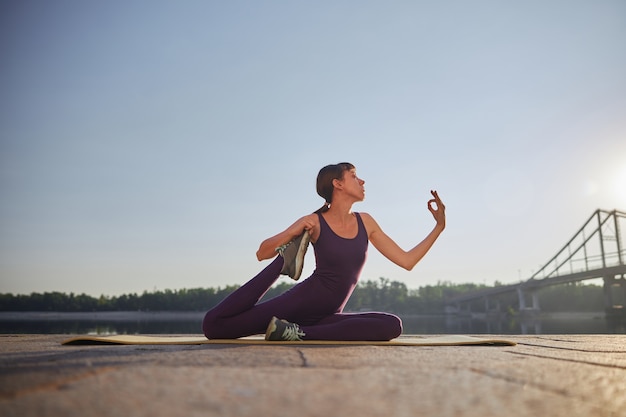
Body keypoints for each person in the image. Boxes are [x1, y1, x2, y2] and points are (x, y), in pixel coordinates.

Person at [202, 162, 446, 341]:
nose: (362, 181)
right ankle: (284, 263)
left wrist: (439, 227)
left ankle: (295, 334)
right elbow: (261, 252)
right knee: (214, 326)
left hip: (327, 317)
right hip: (300, 303)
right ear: (337, 184)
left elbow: (407, 261)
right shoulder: (315, 221)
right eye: (354, 176)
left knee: (392, 325)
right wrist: (294, 231)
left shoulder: (366, 222)